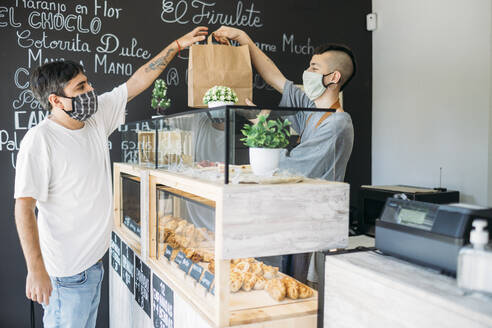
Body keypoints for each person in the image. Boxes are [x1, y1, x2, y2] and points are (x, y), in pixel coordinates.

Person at [14, 27, 208, 327]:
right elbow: (24, 207)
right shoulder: (40, 141)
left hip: (93, 266)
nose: (90, 90)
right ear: (56, 100)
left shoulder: (94, 118)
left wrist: (177, 45)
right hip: (66, 275)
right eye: (80, 88)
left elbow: (137, 81)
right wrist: (35, 268)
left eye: (87, 82)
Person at [213, 26, 356, 284]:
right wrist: (244, 40)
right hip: (295, 220)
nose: (307, 73)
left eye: (314, 68)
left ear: (333, 77)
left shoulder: (337, 124)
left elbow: (291, 170)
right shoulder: (312, 109)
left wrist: (261, 129)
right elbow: (274, 77)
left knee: (303, 296)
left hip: (314, 229)